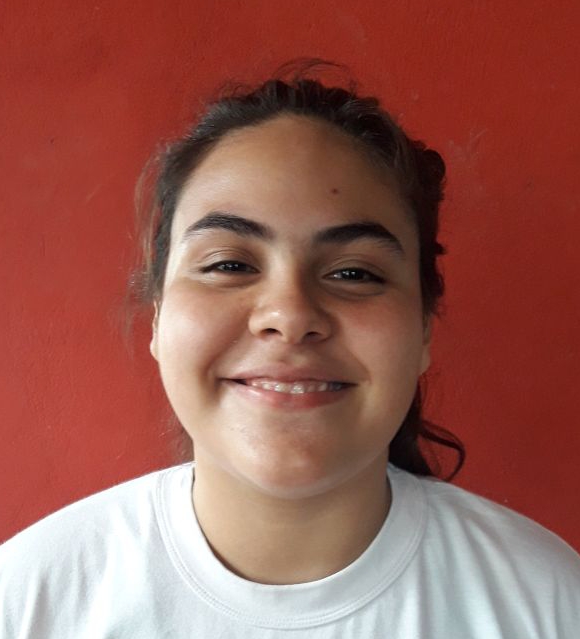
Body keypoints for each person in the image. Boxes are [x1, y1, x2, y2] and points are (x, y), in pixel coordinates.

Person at [1, 62, 579, 638]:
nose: (290, 315)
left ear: (424, 326)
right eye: (229, 265)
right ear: (156, 314)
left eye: (353, 273)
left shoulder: (550, 603)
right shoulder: (30, 601)